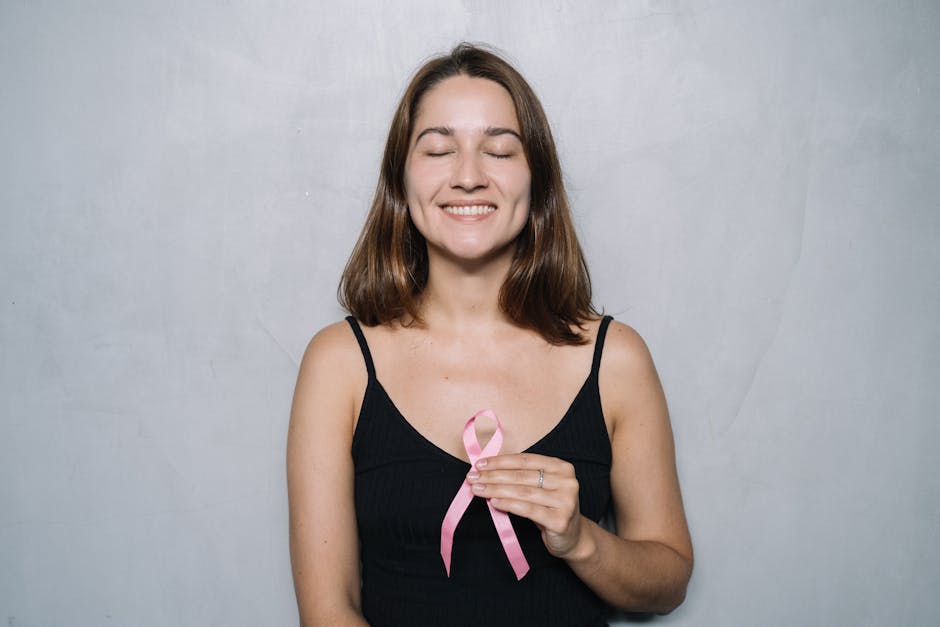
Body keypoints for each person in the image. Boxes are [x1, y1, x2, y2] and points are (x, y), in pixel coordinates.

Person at [286, 43, 692, 627]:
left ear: (538, 180)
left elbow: (668, 581)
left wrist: (582, 541)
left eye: (499, 150)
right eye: (438, 149)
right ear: (401, 181)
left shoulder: (616, 359)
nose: (469, 176)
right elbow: (329, 611)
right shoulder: (339, 363)